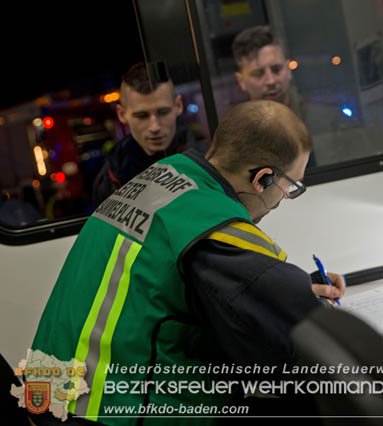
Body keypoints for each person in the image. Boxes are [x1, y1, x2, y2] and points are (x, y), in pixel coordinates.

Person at [29, 100, 345, 425]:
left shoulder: (163, 178)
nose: (283, 200)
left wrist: (280, 292)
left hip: (53, 397)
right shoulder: (210, 224)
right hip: (104, 411)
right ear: (262, 178)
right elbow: (282, 342)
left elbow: (173, 285)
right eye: (290, 187)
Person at [92, 62, 197, 207]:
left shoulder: (207, 161)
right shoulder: (110, 177)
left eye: (163, 112)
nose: (154, 127)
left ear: (178, 106)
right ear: (121, 114)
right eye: (142, 116)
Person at [232, 26, 320, 167]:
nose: (271, 81)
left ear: (288, 69)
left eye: (276, 69)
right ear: (241, 81)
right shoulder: (236, 142)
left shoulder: (323, 121)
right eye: (258, 73)